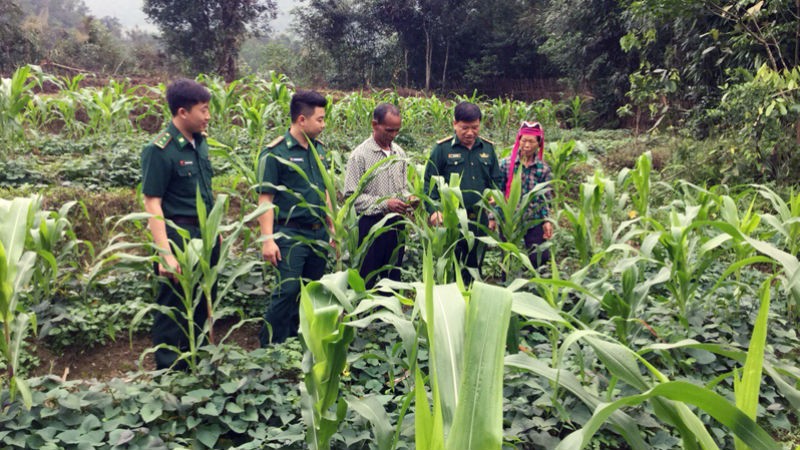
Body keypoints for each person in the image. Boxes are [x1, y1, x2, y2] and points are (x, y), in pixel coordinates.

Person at [141, 78, 219, 370]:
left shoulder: (200, 144)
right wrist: (165, 253)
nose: (208, 116)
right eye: (203, 110)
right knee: (173, 308)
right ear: (182, 112)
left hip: (204, 235)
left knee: (199, 302)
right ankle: (169, 372)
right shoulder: (160, 149)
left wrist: (215, 231)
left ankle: (194, 364)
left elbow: (206, 194)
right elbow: (152, 203)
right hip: (177, 236)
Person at [256, 90, 334, 346]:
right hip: (290, 233)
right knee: (287, 290)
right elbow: (265, 200)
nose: (323, 125)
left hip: (318, 232)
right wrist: (268, 239)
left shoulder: (319, 150)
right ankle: (270, 346)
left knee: (312, 290)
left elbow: (325, 191)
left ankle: (298, 341)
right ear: (302, 119)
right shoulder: (275, 153)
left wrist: (332, 226)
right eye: (320, 120)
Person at [424, 101, 502, 284]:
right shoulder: (442, 149)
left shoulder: (488, 149)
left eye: (475, 127)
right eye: (464, 128)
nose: (470, 133)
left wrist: (493, 213)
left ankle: (473, 301)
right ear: (454, 124)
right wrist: (433, 210)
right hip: (452, 221)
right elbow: (429, 183)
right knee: (453, 267)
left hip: (479, 220)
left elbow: (496, 181)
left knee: (476, 266)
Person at [344, 103, 416, 289]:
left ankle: (389, 317)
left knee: (393, 279)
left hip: (396, 227)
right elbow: (351, 198)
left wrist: (409, 199)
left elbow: (402, 188)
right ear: (374, 125)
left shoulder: (399, 153)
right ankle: (362, 315)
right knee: (365, 279)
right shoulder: (359, 156)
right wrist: (385, 204)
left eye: (397, 131)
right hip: (370, 228)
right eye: (389, 130)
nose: (393, 135)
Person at [498, 121, 553, 270]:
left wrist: (547, 220)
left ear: (539, 144)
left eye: (531, 141)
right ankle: (507, 285)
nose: (527, 145)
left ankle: (536, 286)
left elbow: (546, 197)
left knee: (540, 257)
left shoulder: (543, 169)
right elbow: (497, 192)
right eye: (524, 140)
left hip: (533, 219)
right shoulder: (505, 164)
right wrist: (493, 217)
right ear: (518, 140)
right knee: (508, 258)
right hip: (509, 220)